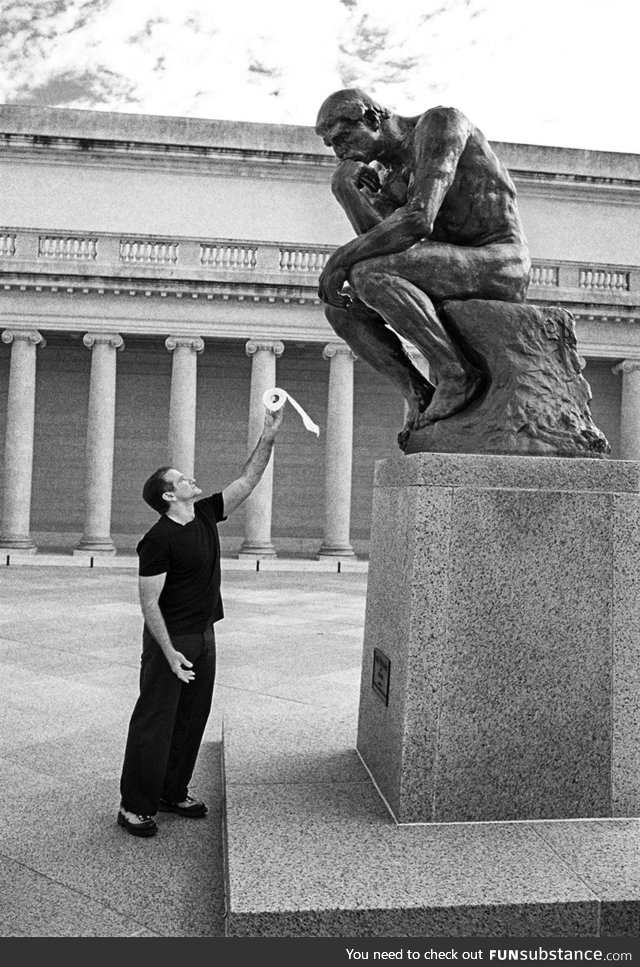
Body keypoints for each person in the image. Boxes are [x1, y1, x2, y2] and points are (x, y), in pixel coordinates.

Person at [314, 88, 531, 441]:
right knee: (343, 309)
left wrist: (340, 260)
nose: (340, 152)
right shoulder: (387, 175)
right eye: (332, 146)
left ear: (372, 119)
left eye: (342, 138)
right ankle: (420, 393)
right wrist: (348, 192)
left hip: (499, 260)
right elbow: (382, 244)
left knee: (368, 274)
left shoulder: (440, 124)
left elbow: (418, 220)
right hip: (449, 263)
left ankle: (457, 374)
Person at [117, 406, 284, 837]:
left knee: (192, 718)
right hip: (170, 641)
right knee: (155, 719)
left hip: (204, 634)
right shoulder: (156, 541)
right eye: (181, 480)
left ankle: (172, 792)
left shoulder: (207, 513)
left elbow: (247, 481)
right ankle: (134, 806)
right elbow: (149, 603)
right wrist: (169, 652)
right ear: (169, 496)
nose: (190, 479)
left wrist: (268, 435)